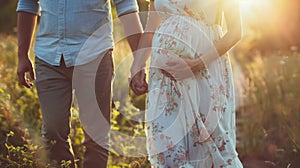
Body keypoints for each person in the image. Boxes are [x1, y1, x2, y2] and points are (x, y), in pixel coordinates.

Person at [16, 0, 143, 167]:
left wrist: (139, 62)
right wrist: (22, 55)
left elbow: (126, 6)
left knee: (96, 135)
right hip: (49, 57)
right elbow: (27, 4)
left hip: (95, 56)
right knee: (53, 133)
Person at [130, 0, 243, 167]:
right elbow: (151, 28)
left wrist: (197, 64)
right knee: (169, 149)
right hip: (164, 81)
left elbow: (235, 31)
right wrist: (137, 65)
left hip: (205, 71)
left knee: (207, 147)